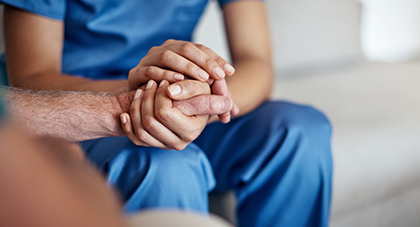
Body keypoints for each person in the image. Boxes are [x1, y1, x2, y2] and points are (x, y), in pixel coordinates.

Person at [1, 0, 333, 226]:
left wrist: (205, 99)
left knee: (299, 132)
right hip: (86, 102)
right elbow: (32, 78)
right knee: (165, 167)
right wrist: (146, 98)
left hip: (177, 94)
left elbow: (255, 62)